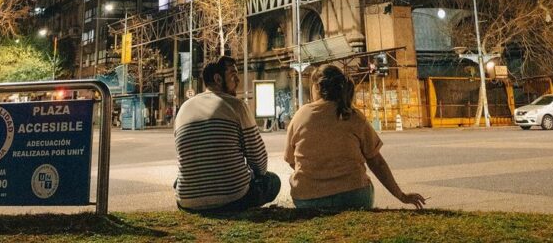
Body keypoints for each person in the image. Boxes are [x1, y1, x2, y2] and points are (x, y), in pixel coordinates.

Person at [284, 65, 426, 212]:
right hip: (353, 197)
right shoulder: (353, 115)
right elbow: (377, 162)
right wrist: (401, 196)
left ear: (318, 87)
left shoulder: (300, 116)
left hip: (307, 200)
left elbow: (290, 160)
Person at [174, 55, 280, 212]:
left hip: (187, 202)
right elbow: (259, 162)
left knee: (179, 180)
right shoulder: (236, 105)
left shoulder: (183, 108)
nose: (237, 81)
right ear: (218, 79)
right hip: (233, 199)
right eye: (233, 75)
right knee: (272, 180)